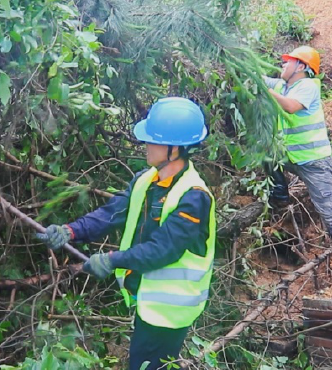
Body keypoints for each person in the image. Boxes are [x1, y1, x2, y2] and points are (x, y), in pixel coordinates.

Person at [37, 97, 216, 370]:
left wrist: (112, 259)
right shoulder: (147, 180)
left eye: (152, 140)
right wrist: (70, 231)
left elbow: (162, 250)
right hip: (149, 301)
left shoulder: (194, 197)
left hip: (170, 311)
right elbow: (112, 213)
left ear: (175, 148)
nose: (146, 145)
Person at [264, 46, 332, 287]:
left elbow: (290, 106)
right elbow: (257, 79)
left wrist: (265, 90)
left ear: (301, 67)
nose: (283, 65)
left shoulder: (307, 87)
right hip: (292, 158)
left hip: (315, 163)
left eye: (288, 62)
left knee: (328, 213)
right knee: (264, 152)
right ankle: (280, 193)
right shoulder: (283, 85)